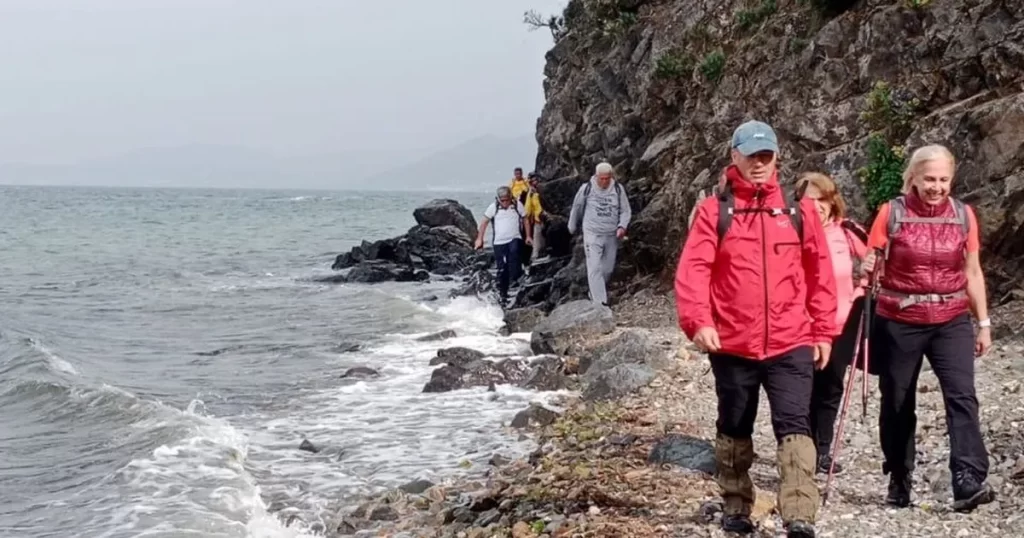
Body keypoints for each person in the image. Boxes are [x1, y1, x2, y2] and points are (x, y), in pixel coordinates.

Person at [676, 120, 838, 538]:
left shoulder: (799, 210)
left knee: (795, 424)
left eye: (766, 155)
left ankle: (799, 514)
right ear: (735, 157)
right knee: (735, 423)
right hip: (732, 342)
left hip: (791, 340)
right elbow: (694, 270)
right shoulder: (715, 211)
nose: (759, 163)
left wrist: (823, 331)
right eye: (752, 155)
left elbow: (820, 272)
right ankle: (736, 504)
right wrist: (698, 321)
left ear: (777, 158)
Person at [861, 144, 995, 512]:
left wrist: (982, 323)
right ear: (914, 178)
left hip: (951, 318)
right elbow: (871, 259)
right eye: (929, 179)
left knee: (962, 396)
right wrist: (866, 267)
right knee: (898, 401)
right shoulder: (891, 212)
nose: (936, 187)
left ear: (952, 178)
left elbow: (972, 272)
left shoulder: (964, 215)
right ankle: (899, 475)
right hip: (900, 318)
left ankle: (967, 479)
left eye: (943, 179)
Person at [795, 172, 869, 475]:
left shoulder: (848, 231)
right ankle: (799, 447)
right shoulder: (790, 232)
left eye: (823, 199)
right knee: (801, 387)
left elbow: (878, 262)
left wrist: (864, 284)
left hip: (842, 321)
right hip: (800, 322)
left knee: (831, 385)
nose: (818, 206)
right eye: (811, 201)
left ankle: (821, 449)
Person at [568, 162, 631, 306]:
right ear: (596, 176)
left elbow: (625, 210)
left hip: (611, 235)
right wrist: (571, 226)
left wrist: (622, 226)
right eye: (601, 178)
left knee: (607, 269)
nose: (604, 181)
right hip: (592, 234)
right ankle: (600, 303)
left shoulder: (617, 189)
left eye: (607, 178)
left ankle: (595, 291)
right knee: (594, 267)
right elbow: (576, 207)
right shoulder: (587, 189)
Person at [474, 186, 531, 305]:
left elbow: (525, 219)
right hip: (499, 242)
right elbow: (484, 222)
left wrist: (528, 236)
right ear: (498, 199)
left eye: (507, 199)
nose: (505, 203)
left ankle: (515, 281)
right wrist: (480, 239)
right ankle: (503, 293)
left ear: (511, 197)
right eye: (503, 200)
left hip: (514, 238)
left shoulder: (516, 205)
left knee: (514, 254)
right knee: (502, 268)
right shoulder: (493, 207)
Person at [523, 172, 546, 264]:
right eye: (533, 181)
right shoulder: (531, 193)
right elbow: (528, 208)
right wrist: (526, 218)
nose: (535, 182)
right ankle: (535, 257)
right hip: (538, 219)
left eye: (536, 180)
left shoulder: (543, 189)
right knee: (537, 238)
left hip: (546, 217)